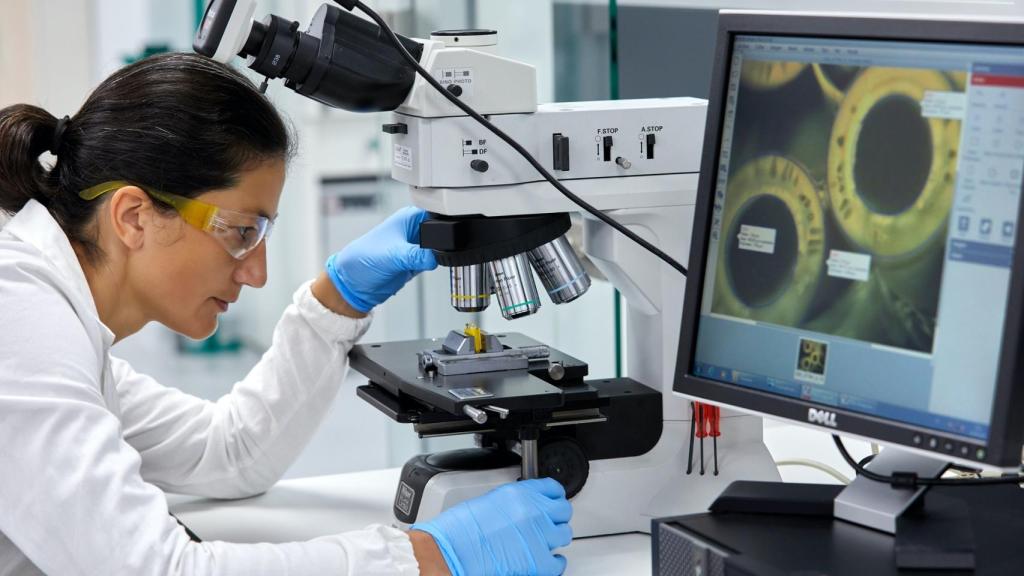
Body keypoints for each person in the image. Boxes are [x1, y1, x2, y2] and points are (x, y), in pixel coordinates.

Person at [0, 53, 571, 575]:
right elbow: (154, 570)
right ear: (134, 217)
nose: (257, 273)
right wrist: (425, 559)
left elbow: (226, 452)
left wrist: (339, 297)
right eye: (241, 232)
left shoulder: (56, 320)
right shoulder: (21, 326)